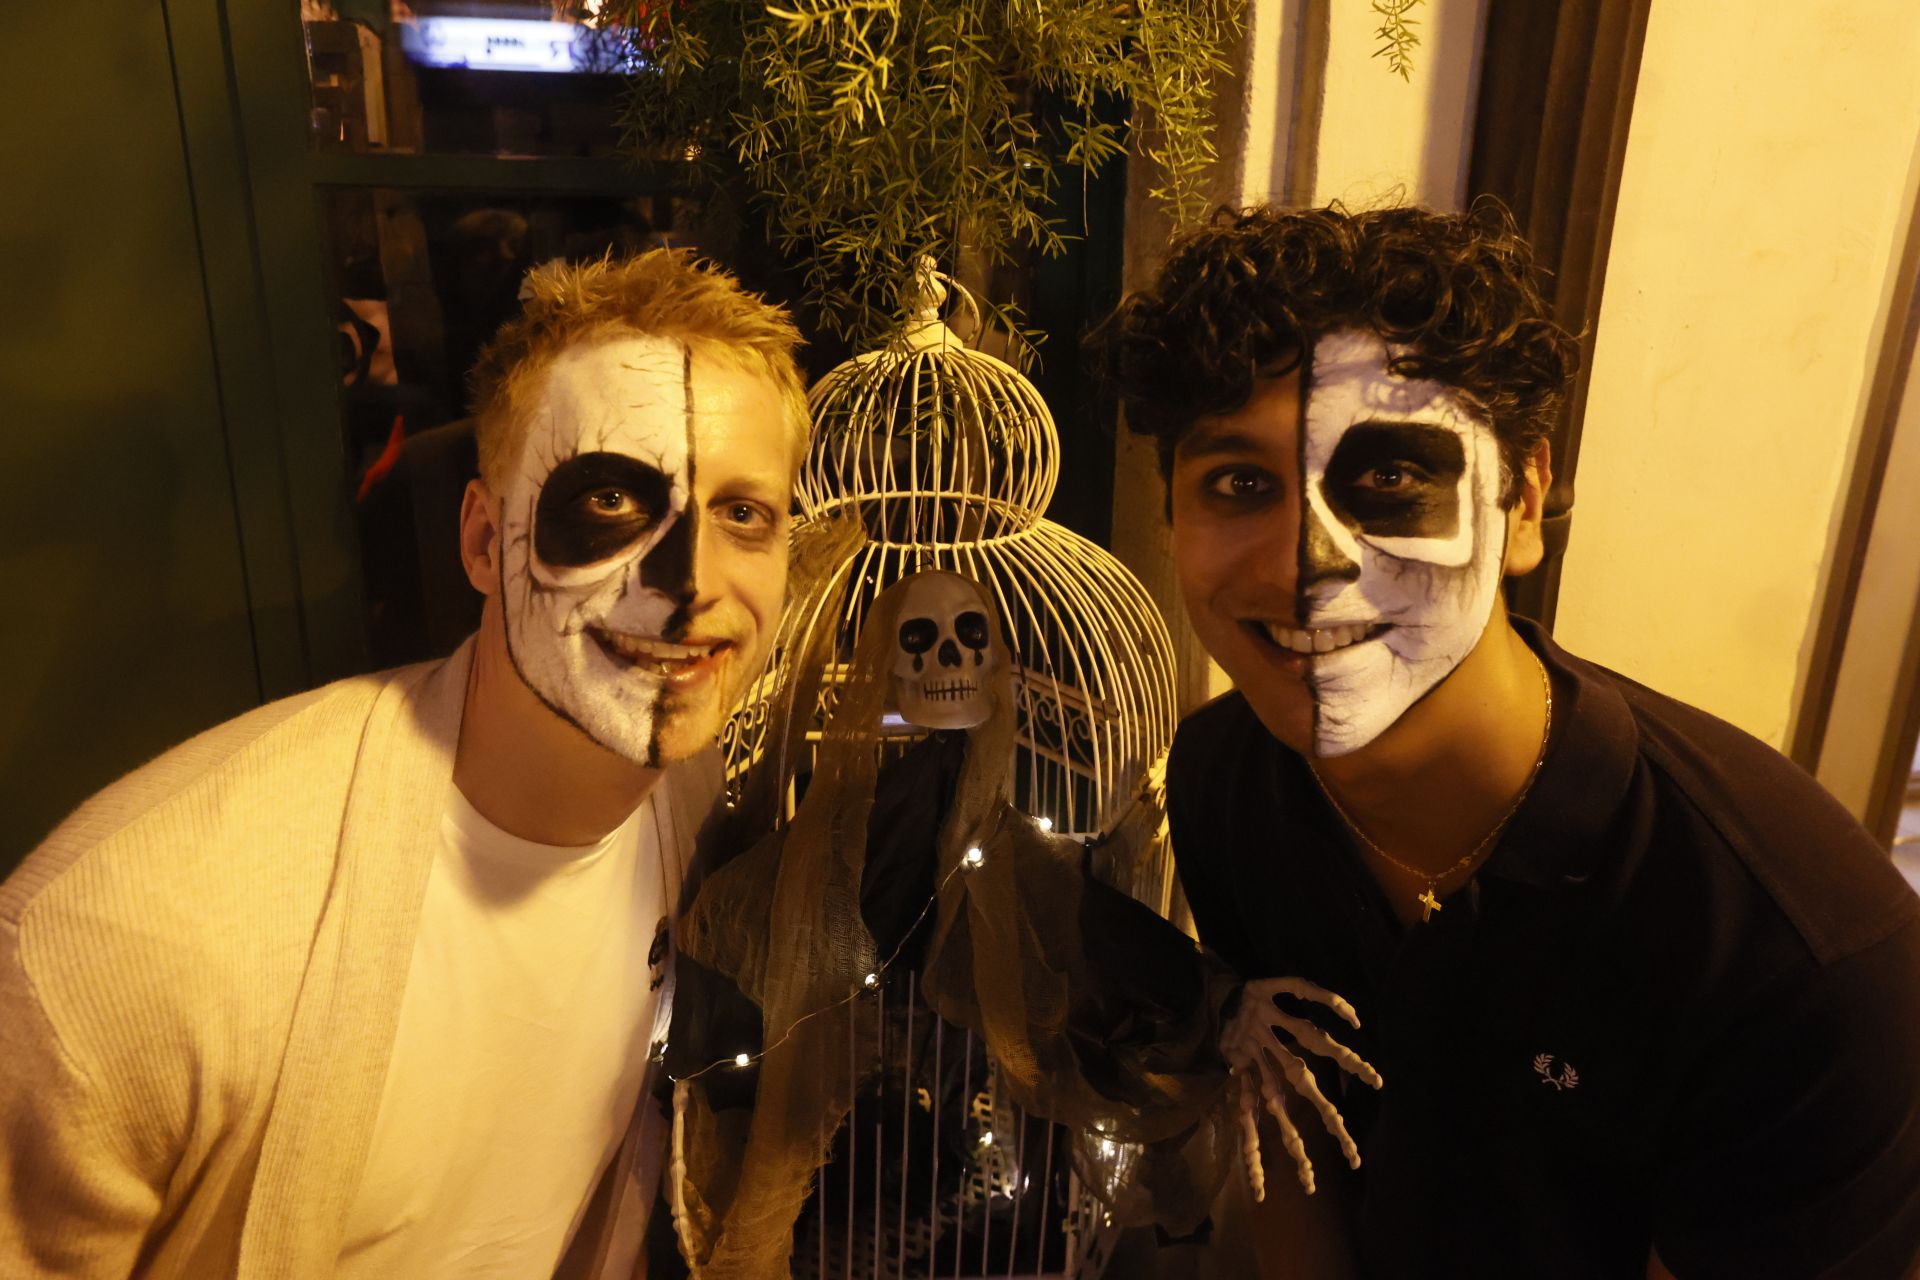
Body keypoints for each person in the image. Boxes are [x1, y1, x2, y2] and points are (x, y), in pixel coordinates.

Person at [1088, 202, 1920, 1278]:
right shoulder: (1225, 777)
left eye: (1387, 475)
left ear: (1521, 501)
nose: (1305, 560)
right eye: (1241, 484)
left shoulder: (1800, 958)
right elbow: (1291, 1142)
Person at [0, 250, 809, 1278]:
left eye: (745, 513)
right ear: (481, 541)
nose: (691, 585)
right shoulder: (125, 942)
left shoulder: (698, 811)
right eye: (609, 500)